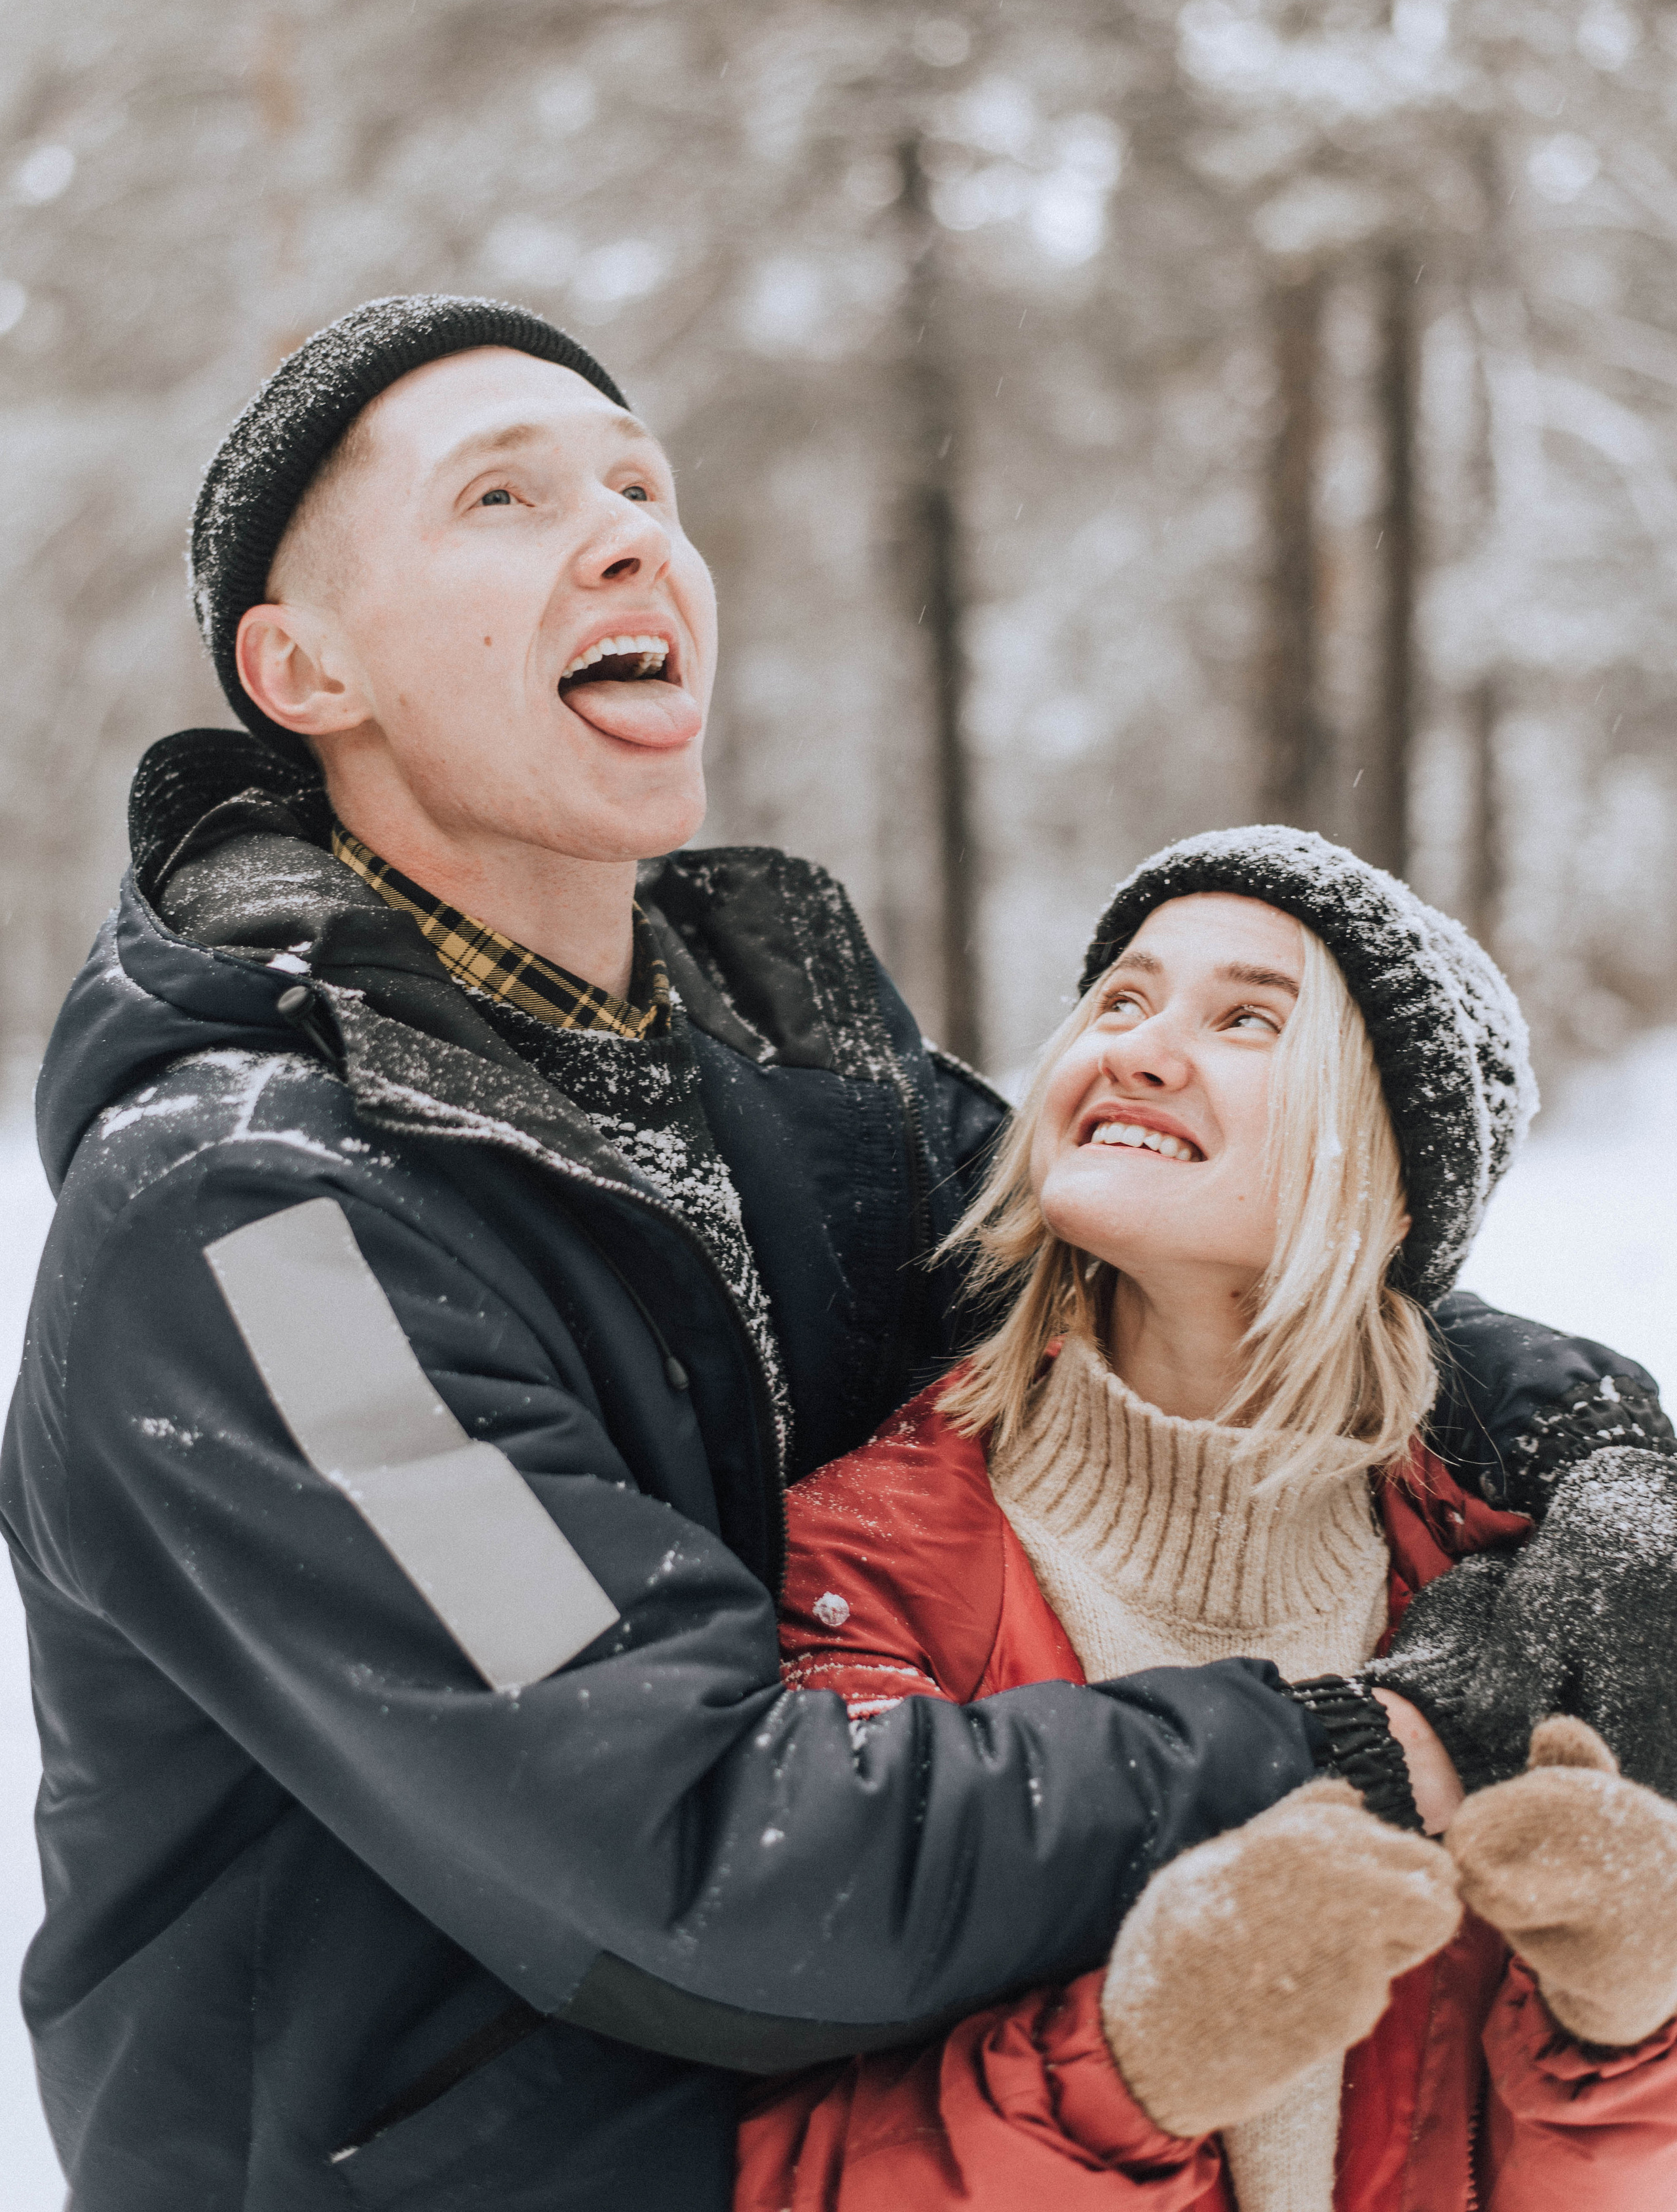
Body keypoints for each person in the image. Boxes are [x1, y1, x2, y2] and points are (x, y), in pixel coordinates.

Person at [1, 300, 1668, 2212]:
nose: (628, 534)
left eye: (642, 484)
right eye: (503, 497)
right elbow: (691, 1855)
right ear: (307, 668)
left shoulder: (779, 1088)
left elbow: (1197, 1274)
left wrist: (1594, 1460)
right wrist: (1343, 1743)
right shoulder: (254, 1236)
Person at [742, 828, 1677, 2211]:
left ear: (1393, 1165)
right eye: (1119, 999)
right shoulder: (851, 1569)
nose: (1137, 1047)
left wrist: (1627, 2026)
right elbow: (778, 2158)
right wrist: (1131, 2068)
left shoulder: (1507, 1581)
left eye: (1247, 1018)